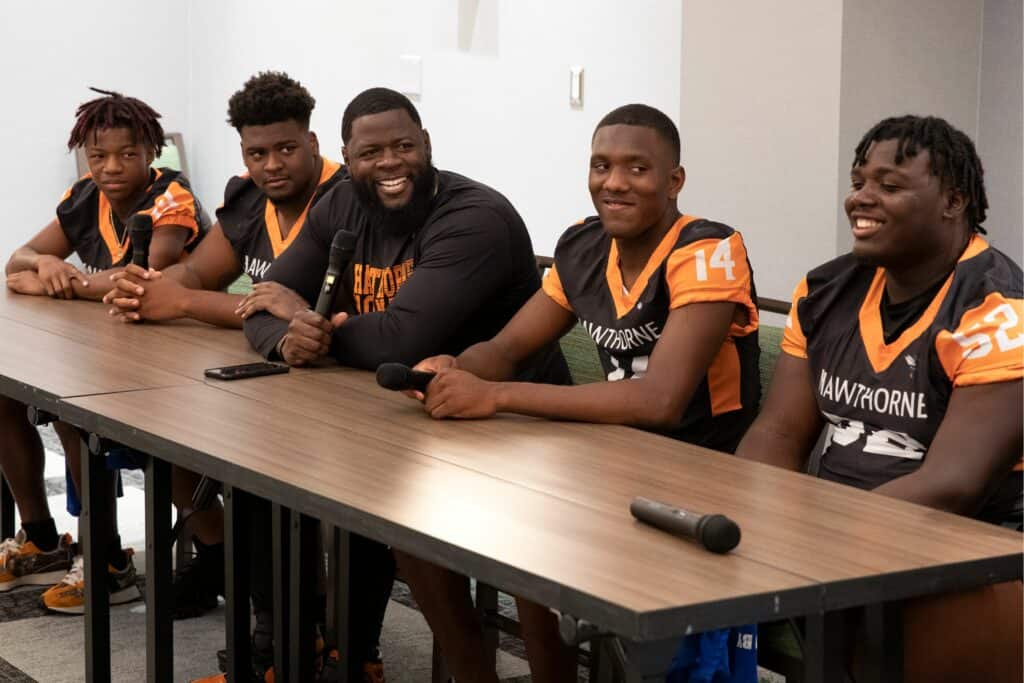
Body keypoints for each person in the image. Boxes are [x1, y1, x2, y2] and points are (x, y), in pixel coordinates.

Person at [397, 104, 761, 682]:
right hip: (615, 462)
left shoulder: (708, 250)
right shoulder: (583, 245)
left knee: (537, 540)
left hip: (701, 477)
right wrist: (453, 370)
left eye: (637, 169)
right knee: (420, 521)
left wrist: (495, 396)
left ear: (674, 181)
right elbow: (508, 348)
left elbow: (659, 401)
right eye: (601, 166)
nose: (613, 182)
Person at [239, 86, 568, 683]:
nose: (390, 163)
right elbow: (264, 302)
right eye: (371, 153)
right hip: (410, 418)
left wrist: (312, 325)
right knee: (276, 470)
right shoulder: (339, 206)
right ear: (346, 158)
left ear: (427, 145)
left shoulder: (474, 218)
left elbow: (402, 339)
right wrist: (288, 339)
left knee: (506, 571)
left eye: (404, 147)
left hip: (519, 430)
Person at [735, 115, 1022, 682]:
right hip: (836, 546)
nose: (860, 199)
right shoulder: (824, 290)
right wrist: (749, 519)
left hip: (971, 558)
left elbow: (954, 485)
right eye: (859, 182)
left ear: (953, 201)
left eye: (889, 185)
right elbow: (778, 434)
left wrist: (813, 540)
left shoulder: (997, 310)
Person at [103, 72, 345, 626]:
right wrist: (145, 289)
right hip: (264, 371)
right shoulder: (250, 197)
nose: (272, 165)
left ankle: (288, 626)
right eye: (257, 153)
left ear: (312, 142)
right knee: (158, 422)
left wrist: (183, 302)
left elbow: (294, 311)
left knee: (260, 472)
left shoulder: (345, 200)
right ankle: (219, 556)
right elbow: (195, 273)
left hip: (330, 379)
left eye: (286, 149)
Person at [1, 89, 207, 614]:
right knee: (8, 399)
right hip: (113, 343)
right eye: (99, 156)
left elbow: (145, 276)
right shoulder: (84, 196)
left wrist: (61, 280)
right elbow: (17, 262)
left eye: (127, 154)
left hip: (180, 356)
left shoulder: (171, 196)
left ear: (150, 152)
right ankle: (42, 540)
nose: (111, 168)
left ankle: (110, 562)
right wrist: (45, 265)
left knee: (75, 412)